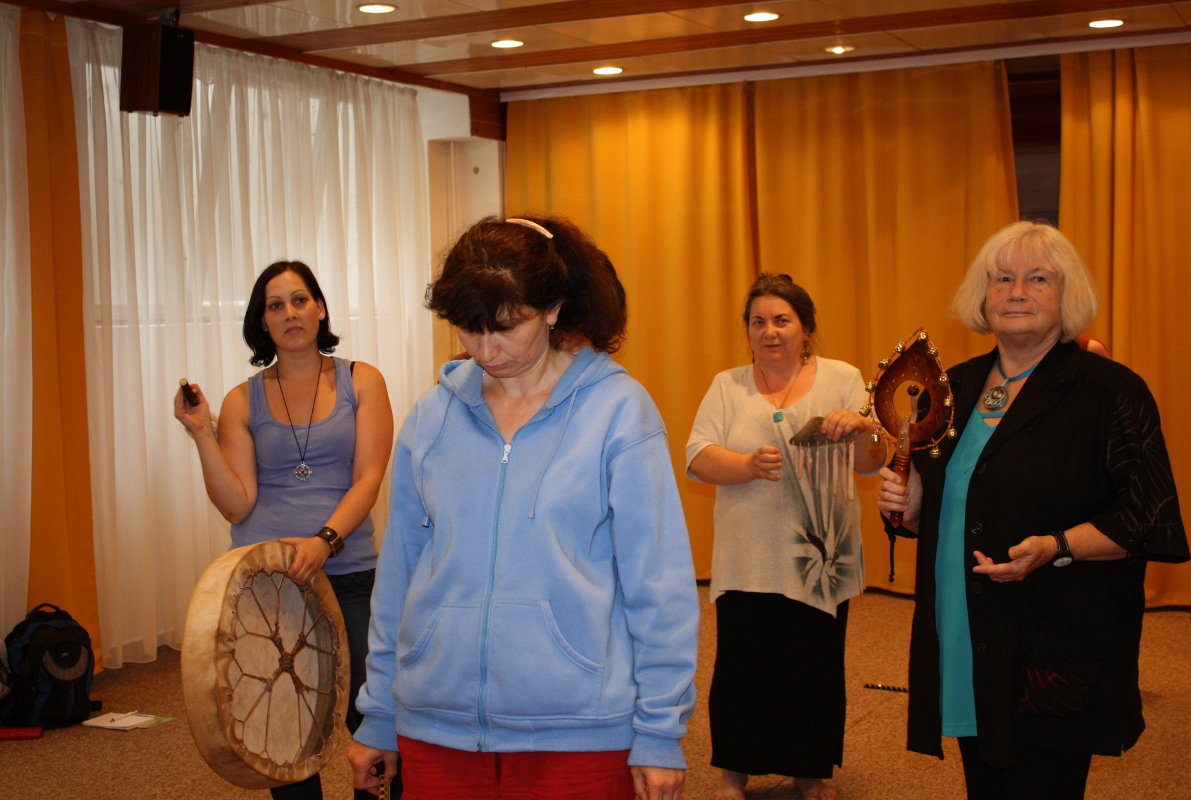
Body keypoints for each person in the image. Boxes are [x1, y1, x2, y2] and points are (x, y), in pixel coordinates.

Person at [346, 216, 699, 800]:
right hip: (437, 727)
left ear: (554, 309)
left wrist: (660, 730)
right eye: (470, 329)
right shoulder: (431, 419)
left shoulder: (618, 411)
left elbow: (658, 584)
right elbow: (400, 579)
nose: (486, 351)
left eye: (507, 327)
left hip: (579, 732)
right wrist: (379, 713)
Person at [876, 220, 1190, 799]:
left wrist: (1057, 547)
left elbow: (1149, 516)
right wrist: (913, 506)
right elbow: (943, 508)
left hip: (1055, 633)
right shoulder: (953, 389)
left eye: (1038, 279)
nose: (1017, 292)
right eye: (1002, 279)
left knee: (1044, 781)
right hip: (966, 624)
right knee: (984, 782)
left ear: (1068, 295)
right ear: (982, 297)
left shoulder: (1111, 391)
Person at [175, 260, 399, 800]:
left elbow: (369, 479)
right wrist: (202, 434)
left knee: (371, 713)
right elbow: (237, 505)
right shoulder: (240, 400)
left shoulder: (362, 381)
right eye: (275, 306)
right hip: (269, 579)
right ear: (263, 322)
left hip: (346, 569)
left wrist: (325, 542)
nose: (290, 313)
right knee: (285, 724)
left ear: (319, 308)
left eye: (299, 300)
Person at [685, 273, 887, 800]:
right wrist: (746, 465)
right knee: (741, 668)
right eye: (758, 322)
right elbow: (698, 457)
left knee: (814, 668)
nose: (769, 331)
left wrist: (864, 428)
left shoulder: (843, 378)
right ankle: (733, 774)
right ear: (748, 330)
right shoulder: (727, 385)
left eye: (781, 320)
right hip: (748, 556)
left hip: (821, 559)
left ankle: (811, 771)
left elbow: (871, 464)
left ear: (805, 328)